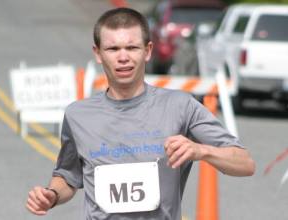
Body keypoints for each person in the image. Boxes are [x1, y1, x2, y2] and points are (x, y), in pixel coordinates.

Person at [26, 7, 255, 220]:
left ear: (147, 51)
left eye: (132, 47)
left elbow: (245, 164)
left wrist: (200, 150)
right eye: (113, 49)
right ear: (98, 53)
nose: (123, 57)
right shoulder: (78, 115)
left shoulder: (180, 105)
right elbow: (68, 177)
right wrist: (52, 195)